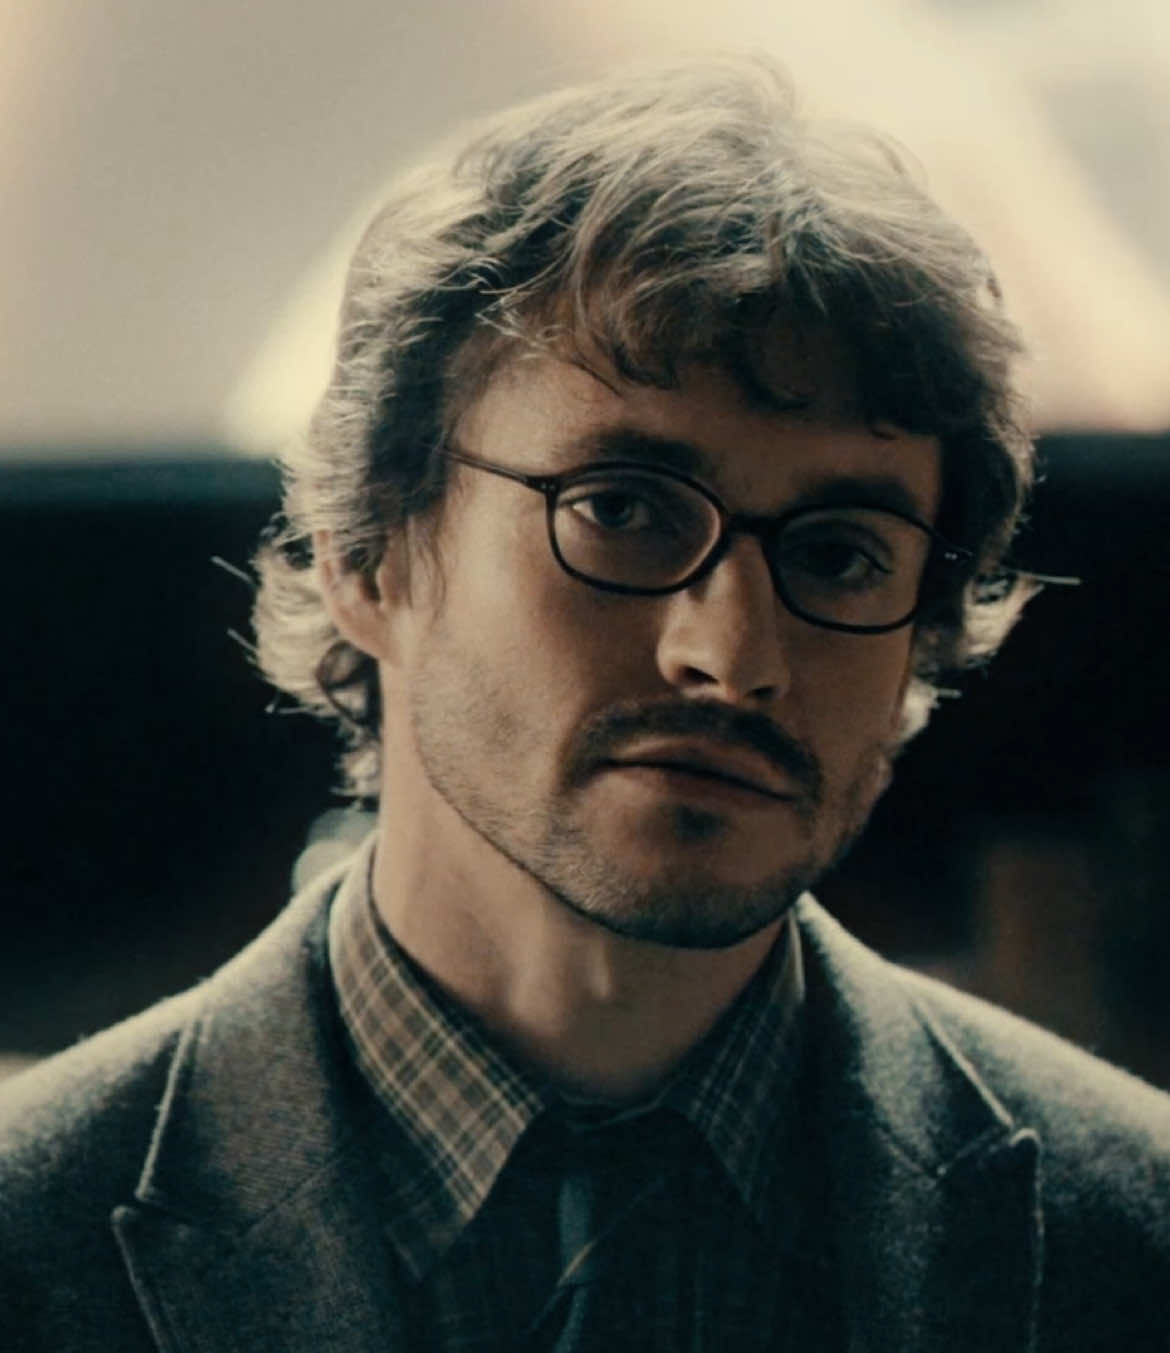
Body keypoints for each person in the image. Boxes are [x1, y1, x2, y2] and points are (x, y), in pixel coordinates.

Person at [2, 55, 1167, 1353]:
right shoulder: (27, 1238)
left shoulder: (1135, 1241)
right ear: (368, 557)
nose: (730, 654)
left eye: (841, 554)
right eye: (620, 510)